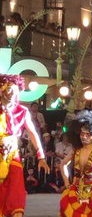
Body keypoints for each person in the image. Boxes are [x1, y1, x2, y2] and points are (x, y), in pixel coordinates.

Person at [0, 74, 50, 217]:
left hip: (11, 153)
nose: (11, 94)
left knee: (15, 187)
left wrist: (41, 156)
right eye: (8, 90)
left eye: (14, 91)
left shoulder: (22, 111)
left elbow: (33, 133)